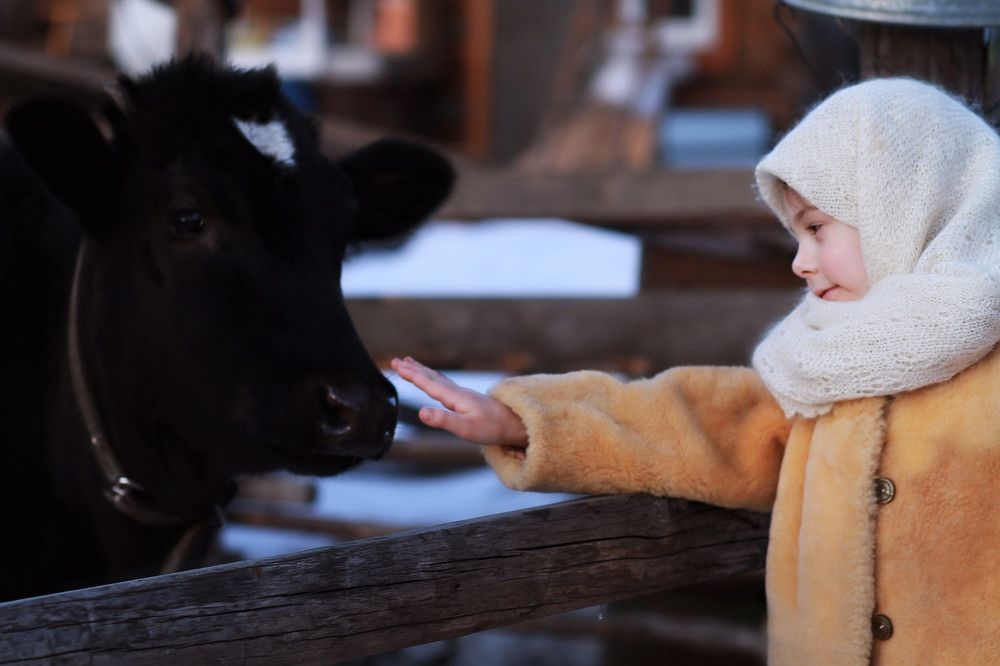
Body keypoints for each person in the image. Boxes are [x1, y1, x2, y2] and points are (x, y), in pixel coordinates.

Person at [392, 78, 1000, 665]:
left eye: (816, 229)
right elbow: (696, 420)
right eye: (795, 235)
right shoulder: (822, 364)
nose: (800, 261)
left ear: (905, 209)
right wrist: (525, 420)